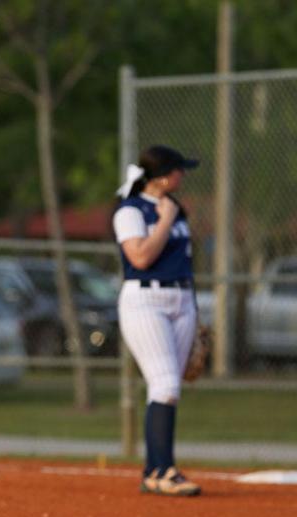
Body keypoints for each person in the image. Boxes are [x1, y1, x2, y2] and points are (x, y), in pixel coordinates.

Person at [113, 145, 202, 497]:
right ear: (163, 174)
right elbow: (140, 256)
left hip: (182, 300)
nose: (183, 176)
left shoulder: (178, 210)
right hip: (145, 300)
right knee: (165, 384)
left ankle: (155, 470)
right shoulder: (130, 210)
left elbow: (184, 261)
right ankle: (163, 471)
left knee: (167, 388)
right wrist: (165, 219)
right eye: (179, 170)